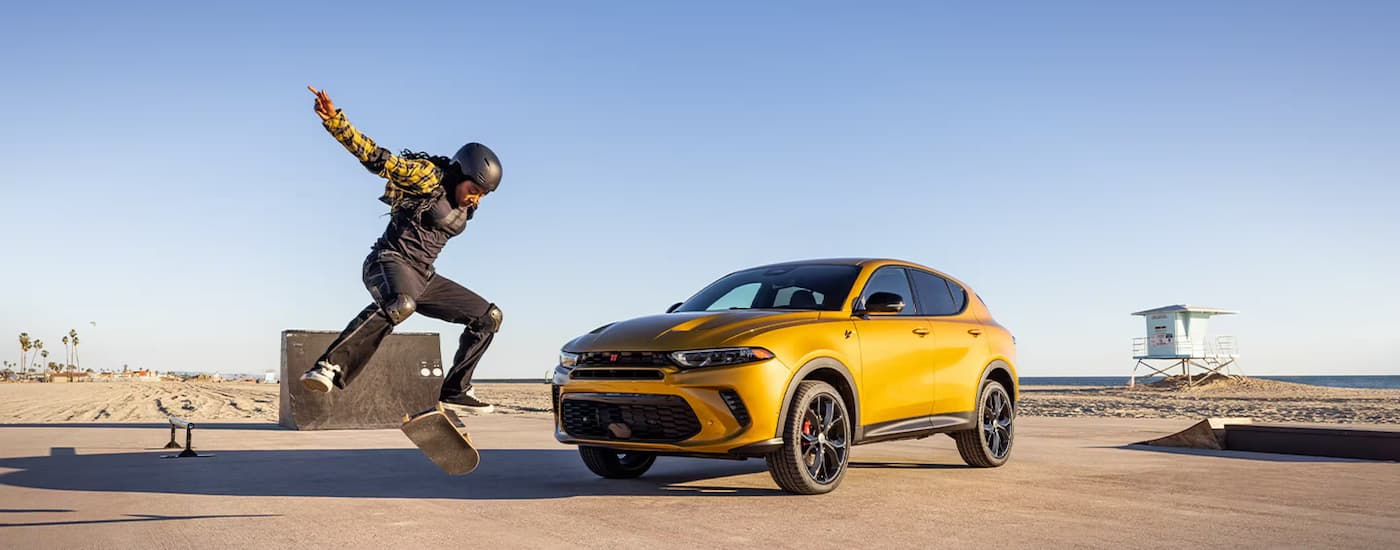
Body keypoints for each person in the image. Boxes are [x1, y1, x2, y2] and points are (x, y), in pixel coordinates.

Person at [300, 86, 502, 414]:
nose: (475, 198)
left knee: (488, 317)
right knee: (401, 304)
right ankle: (329, 365)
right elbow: (380, 159)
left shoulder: (468, 206)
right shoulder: (428, 179)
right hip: (387, 261)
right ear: (459, 174)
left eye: (483, 195)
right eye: (473, 189)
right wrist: (337, 122)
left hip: (424, 277)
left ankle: (455, 389)